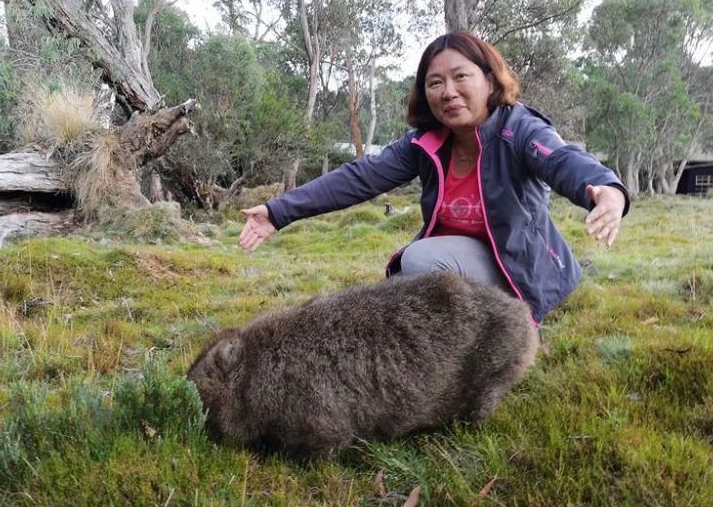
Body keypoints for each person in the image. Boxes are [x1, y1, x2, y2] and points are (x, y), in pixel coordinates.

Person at [238, 31, 629, 323]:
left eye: (462, 77)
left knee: (419, 264)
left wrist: (607, 190)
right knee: (409, 276)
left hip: (520, 265)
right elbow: (360, 177)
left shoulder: (518, 129)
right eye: (435, 82)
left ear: (489, 80)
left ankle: (501, 331)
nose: (448, 92)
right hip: (462, 264)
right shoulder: (425, 144)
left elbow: (560, 158)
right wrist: (278, 212)